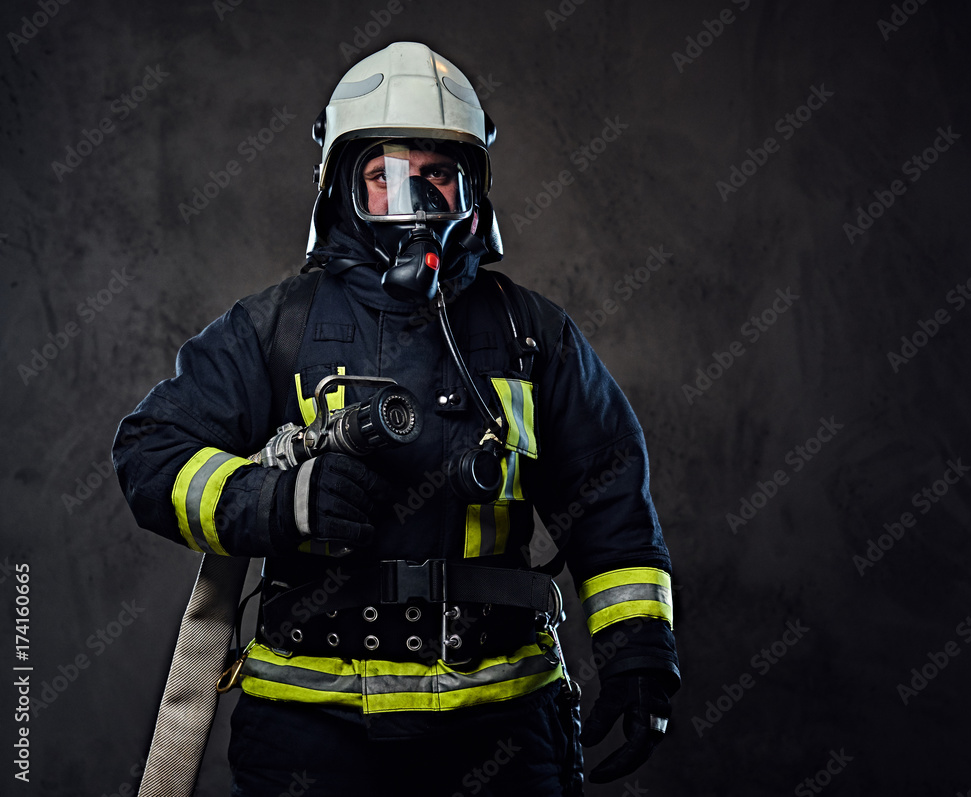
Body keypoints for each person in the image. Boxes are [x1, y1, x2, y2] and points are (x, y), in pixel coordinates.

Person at [113, 41, 679, 796]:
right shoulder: (275, 327)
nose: (414, 204)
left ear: (474, 190)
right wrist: (281, 504)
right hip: (314, 736)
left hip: (506, 726)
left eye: (437, 177)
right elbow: (151, 454)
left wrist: (638, 651)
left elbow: (608, 491)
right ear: (339, 190)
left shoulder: (532, 334)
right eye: (386, 179)